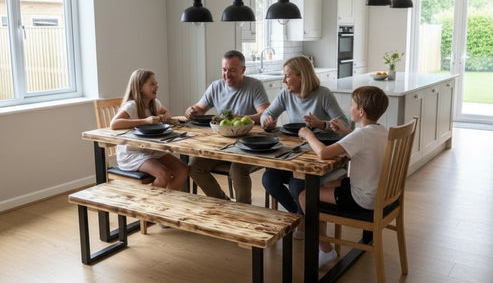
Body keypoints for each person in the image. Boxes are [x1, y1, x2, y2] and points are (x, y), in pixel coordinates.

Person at [297, 85, 390, 268]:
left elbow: (323, 153)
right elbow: (362, 140)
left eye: (352, 105)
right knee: (329, 182)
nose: (350, 108)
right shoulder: (380, 130)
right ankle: (322, 235)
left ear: (361, 111)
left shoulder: (360, 135)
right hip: (379, 193)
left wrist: (308, 135)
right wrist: (346, 133)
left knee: (305, 195)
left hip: (363, 199)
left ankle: (326, 250)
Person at [260, 55, 350, 233]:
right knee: (268, 179)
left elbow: (344, 124)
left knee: (296, 184)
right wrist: (267, 121)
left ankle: (304, 222)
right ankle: (300, 217)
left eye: (287, 75)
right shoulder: (285, 94)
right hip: (294, 154)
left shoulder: (323, 94)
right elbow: (266, 114)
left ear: (302, 76)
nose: (284, 80)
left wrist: (321, 124)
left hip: (320, 155)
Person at [185, 50, 270, 203]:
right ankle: (223, 203)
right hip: (221, 145)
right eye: (224, 70)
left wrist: (243, 118)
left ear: (243, 70)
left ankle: (243, 212)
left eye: (232, 70)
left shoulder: (255, 86)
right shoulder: (216, 86)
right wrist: (191, 111)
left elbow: (265, 115)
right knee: (194, 166)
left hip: (248, 145)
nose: (227, 74)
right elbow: (199, 108)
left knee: (237, 171)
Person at [110, 69, 189, 191]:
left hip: (151, 149)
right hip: (132, 153)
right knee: (164, 174)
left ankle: (168, 204)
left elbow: (166, 112)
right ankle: (150, 208)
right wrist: (145, 121)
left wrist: (165, 117)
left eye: (156, 83)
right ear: (140, 88)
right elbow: (114, 124)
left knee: (183, 170)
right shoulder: (132, 105)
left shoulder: (154, 103)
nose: (156, 86)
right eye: (152, 84)